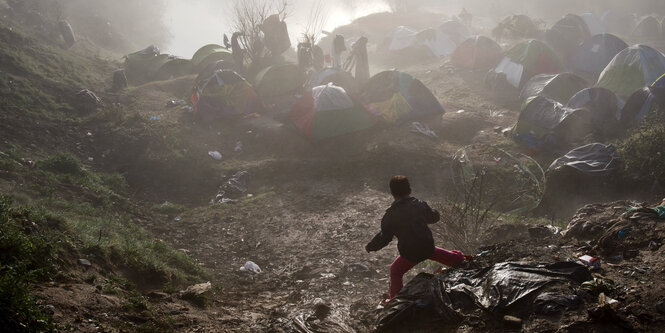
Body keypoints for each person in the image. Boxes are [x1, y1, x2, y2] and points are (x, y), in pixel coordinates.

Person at [365, 175, 470, 304]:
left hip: (409, 252)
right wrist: (436, 212)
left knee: (395, 271)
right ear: (409, 190)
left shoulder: (390, 215)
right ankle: (458, 259)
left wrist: (371, 246)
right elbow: (433, 218)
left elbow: (384, 237)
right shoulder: (419, 205)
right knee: (433, 252)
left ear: (392, 193)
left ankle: (395, 300)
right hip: (426, 245)